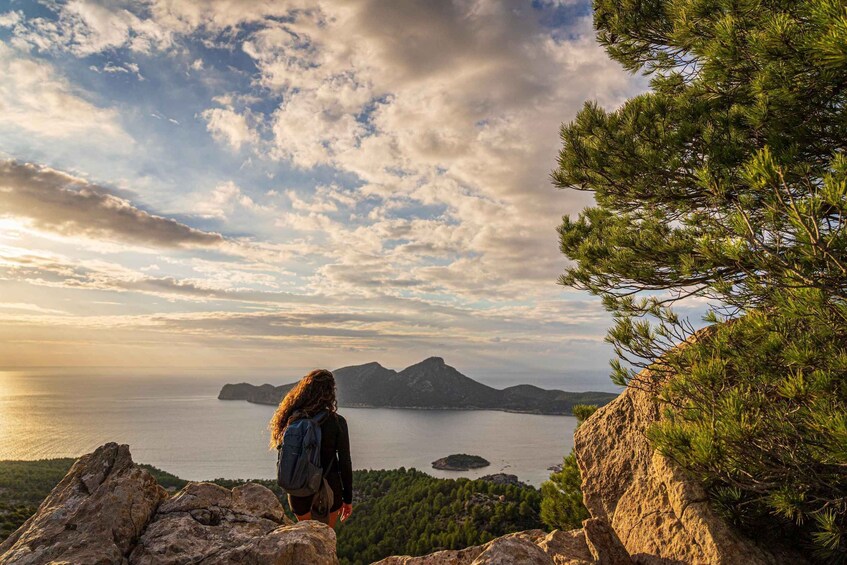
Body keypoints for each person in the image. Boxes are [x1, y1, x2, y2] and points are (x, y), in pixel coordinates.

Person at [268, 369, 353, 527]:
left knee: (307, 536)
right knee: (325, 539)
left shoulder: (293, 418)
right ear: (330, 393)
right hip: (330, 490)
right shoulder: (337, 422)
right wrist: (348, 499)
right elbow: (345, 462)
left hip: (298, 489)